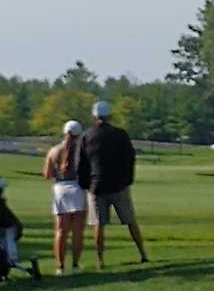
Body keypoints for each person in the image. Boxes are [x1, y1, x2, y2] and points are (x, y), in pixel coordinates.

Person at [78, 100, 148, 269]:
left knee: (98, 226)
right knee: (130, 221)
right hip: (119, 185)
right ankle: (143, 254)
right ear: (109, 116)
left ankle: (100, 260)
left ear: (94, 117)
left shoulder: (86, 136)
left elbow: (80, 163)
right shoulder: (120, 134)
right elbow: (130, 158)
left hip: (96, 186)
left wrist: (86, 184)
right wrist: (127, 179)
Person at [43, 120, 87, 275]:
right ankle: (75, 264)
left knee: (61, 231)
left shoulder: (53, 151)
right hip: (78, 189)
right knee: (77, 231)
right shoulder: (83, 151)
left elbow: (47, 175)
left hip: (60, 189)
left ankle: (60, 266)